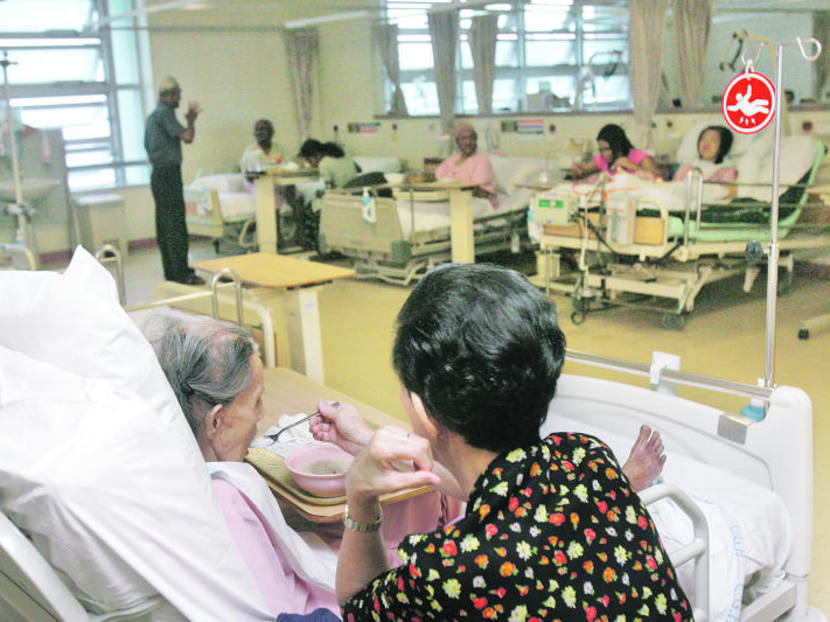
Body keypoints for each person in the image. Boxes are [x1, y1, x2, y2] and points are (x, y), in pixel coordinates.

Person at [312, 263, 690, 620]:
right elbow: (487, 485)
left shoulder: (449, 571)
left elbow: (360, 607)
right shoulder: (586, 456)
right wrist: (365, 440)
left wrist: (359, 495)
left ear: (423, 411)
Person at [144, 76, 204, 285]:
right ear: (170, 95)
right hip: (169, 174)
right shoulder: (165, 113)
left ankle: (171, 272)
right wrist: (191, 121)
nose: (180, 98)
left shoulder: (153, 116)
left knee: (164, 224)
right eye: (178, 94)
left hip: (158, 175)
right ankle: (182, 273)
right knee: (175, 224)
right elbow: (187, 137)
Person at [434, 122, 498, 208]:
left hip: (478, 203)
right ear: (457, 141)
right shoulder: (451, 160)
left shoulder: (482, 161)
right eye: (463, 138)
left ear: (476, 140)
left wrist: (452, 188)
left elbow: (478, 191)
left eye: (471, 138)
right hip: (451, 200)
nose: (468, 142)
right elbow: (438, 177)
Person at [573, 123, 662, 180]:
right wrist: (577, 169)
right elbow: (581, 172)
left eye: (608, 149)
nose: (605, 154)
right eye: (601, 150)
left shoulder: (639, 157)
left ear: (618, 145)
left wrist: (632, 166)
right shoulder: (602, 160)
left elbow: (659, 179)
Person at [673, 125, 738, 187]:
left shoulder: (726, 171)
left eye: (713, 140)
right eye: (703, 138)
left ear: (723, 146)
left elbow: (728, 193)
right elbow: (673, 187)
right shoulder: (688, 166)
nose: (706, 142)